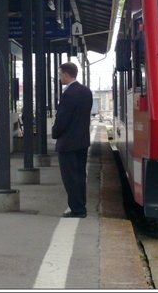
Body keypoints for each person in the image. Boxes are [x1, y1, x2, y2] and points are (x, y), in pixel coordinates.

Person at [51, 62, 93, 218]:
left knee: (70, 178)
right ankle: (80, 206)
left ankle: (76, 209)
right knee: (80, 176)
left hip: (68, 143)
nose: (59, 77)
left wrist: (55, 132)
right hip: (82, 141)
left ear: (66, 74)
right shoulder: (86, 92)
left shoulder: (69, 94)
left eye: (60, 74)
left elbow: (63, 118)